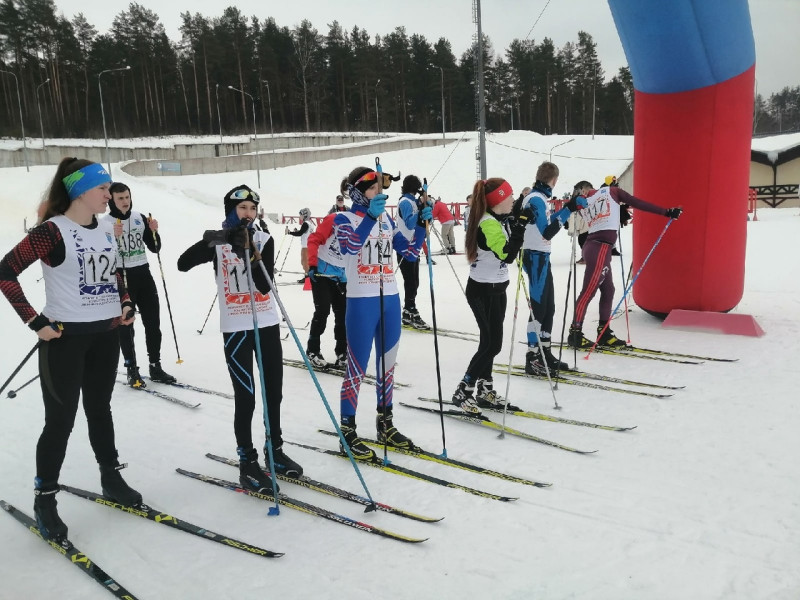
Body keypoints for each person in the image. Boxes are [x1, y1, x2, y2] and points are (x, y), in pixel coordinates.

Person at [0, 158, 143, 543]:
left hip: (106, 334)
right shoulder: (53, 231)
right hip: (66, 339)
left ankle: (111, 477)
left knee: (100, 409)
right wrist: (35, 321)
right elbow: (5, 271)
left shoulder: (107, 229)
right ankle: (45, 498)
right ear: (80, 190)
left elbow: (115, 273)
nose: (108, 195)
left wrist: (125, 302)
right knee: (60, 421)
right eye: (102, 189)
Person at [177, 184, 302, 492]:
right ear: (230, 211)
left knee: (274, 391)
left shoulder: (264, 238)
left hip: (266, 322)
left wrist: (250, 253)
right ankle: (247, 462)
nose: (247, 214)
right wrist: (215, 242)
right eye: (242, 208)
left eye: (252, 208)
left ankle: (275, 450)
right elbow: (182, 263)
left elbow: (263, 286)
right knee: (245, 397)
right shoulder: (218, 241)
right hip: (236, 327)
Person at [333, 166, 430, 458]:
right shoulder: (343, 218)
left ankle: (385, 423)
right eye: (374, 188)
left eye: (380, 188)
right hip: (362, 300)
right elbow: (349, 247)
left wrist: (423, 225)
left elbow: (409, 252)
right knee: (356, 369)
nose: (380, 193)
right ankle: (347, 431)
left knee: (387, 367)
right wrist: (371, 218)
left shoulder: (386, 219)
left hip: (389, 297)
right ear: (358, 192)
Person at [567, 178, 683, 348]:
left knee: (608, 289)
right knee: (589, 290)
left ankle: (604, 332)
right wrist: (666, 212)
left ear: (584, 190)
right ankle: (575, 334)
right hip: (599, 248)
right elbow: (636, 202)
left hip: (596, 248)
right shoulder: (611, 192)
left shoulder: (585, 201)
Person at [451, 178, 531, 413]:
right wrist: (519, 229)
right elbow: (506, 254)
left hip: (497, 288)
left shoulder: (497, 218)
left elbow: (511, 222)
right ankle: (463, 389)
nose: (513, 199)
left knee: (491, 342)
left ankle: (485, 389)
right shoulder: (487, 224)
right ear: (498, 200)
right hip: (482, 291)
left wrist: (519, 219)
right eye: (510, 196)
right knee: (491, 343)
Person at [102, 182, 176, 388]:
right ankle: (132, 370)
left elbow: (155, 248)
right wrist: (110, 236)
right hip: (121, 276)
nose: (125, 202)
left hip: (143, 273)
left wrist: (154, 231)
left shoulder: (139, 218)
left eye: (127, 197)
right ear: (112, 201)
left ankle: (155, 365)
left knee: (153, 323)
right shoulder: (104, 223)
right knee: (126, 326)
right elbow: (100, 255)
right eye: (120, 199)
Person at [518, 162, 583, 375]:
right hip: (534, 256)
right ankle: (532, 356)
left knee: (549, 306)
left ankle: (545, 352)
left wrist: (566, 209)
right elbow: (546, 232)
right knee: (539, 307)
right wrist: (568, 210)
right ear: (554, 180)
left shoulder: (541, 198)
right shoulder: (536, 199)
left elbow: (548, 221)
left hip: (541, 256)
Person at [305, 209, 347, 370]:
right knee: (322, 310)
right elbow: (314, 239)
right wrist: (313, 264)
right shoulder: (334, 219)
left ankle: (342, 352)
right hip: (322, 272)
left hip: (342, 276)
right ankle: (313, 350)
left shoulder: (363, 224)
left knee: (343, 314)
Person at [395, 174, 431, 329]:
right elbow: (410, 224)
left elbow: (423, 221)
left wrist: (426, 210)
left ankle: (409, 310)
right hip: (405, 246)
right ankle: (410, 310)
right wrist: (420, 210)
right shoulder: (405, 202)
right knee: (410, 282)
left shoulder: (412, 201)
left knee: (414, 282)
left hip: (414, 245)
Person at [287, 208, 315, 283]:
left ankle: (308, 278)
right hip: (309, 245)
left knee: (304, 262)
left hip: (306, 246)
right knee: (305, 262)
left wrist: (290, 232)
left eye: (301, 215)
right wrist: (296, 232)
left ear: (305, 215)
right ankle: (308, 276)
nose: (300, 217)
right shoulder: (310, 223)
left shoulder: (306, 223)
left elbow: (300, 233)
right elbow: (303, 232)